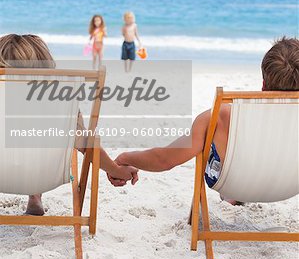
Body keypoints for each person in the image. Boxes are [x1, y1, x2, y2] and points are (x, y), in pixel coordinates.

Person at [111, 37, 299, 204]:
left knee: (211, 142)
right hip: (289, 186)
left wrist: (124, 158)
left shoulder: (221, 115)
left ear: (263, 84)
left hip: (234, 184)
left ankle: (232, 195)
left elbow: (165, 159)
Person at [0, 34, 138, 216]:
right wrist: (115, 170)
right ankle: (35, 196)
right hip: (43, 175)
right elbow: (86, 144)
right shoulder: (58, 102)